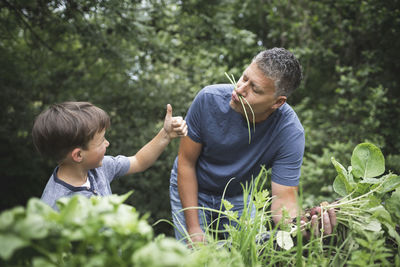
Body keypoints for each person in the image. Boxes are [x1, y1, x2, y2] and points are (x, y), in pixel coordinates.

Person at [169, 48, 336, 244]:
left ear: (277, 102)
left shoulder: (289, 131)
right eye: (243, 78)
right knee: (194, 256)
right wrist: (195, 229)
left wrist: (300, 226)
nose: (239, 89)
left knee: (253, 253)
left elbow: (283, 199)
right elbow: (186, 163)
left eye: (254, 89)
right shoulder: (208, 99)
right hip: (192, 186)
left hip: (238, 196)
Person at [33, 101, 187, 210]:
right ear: (78, 155)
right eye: (101, 141)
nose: (107, 144)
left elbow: (138, 161)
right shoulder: (55, 205)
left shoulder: (99, 168)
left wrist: (165, 134)